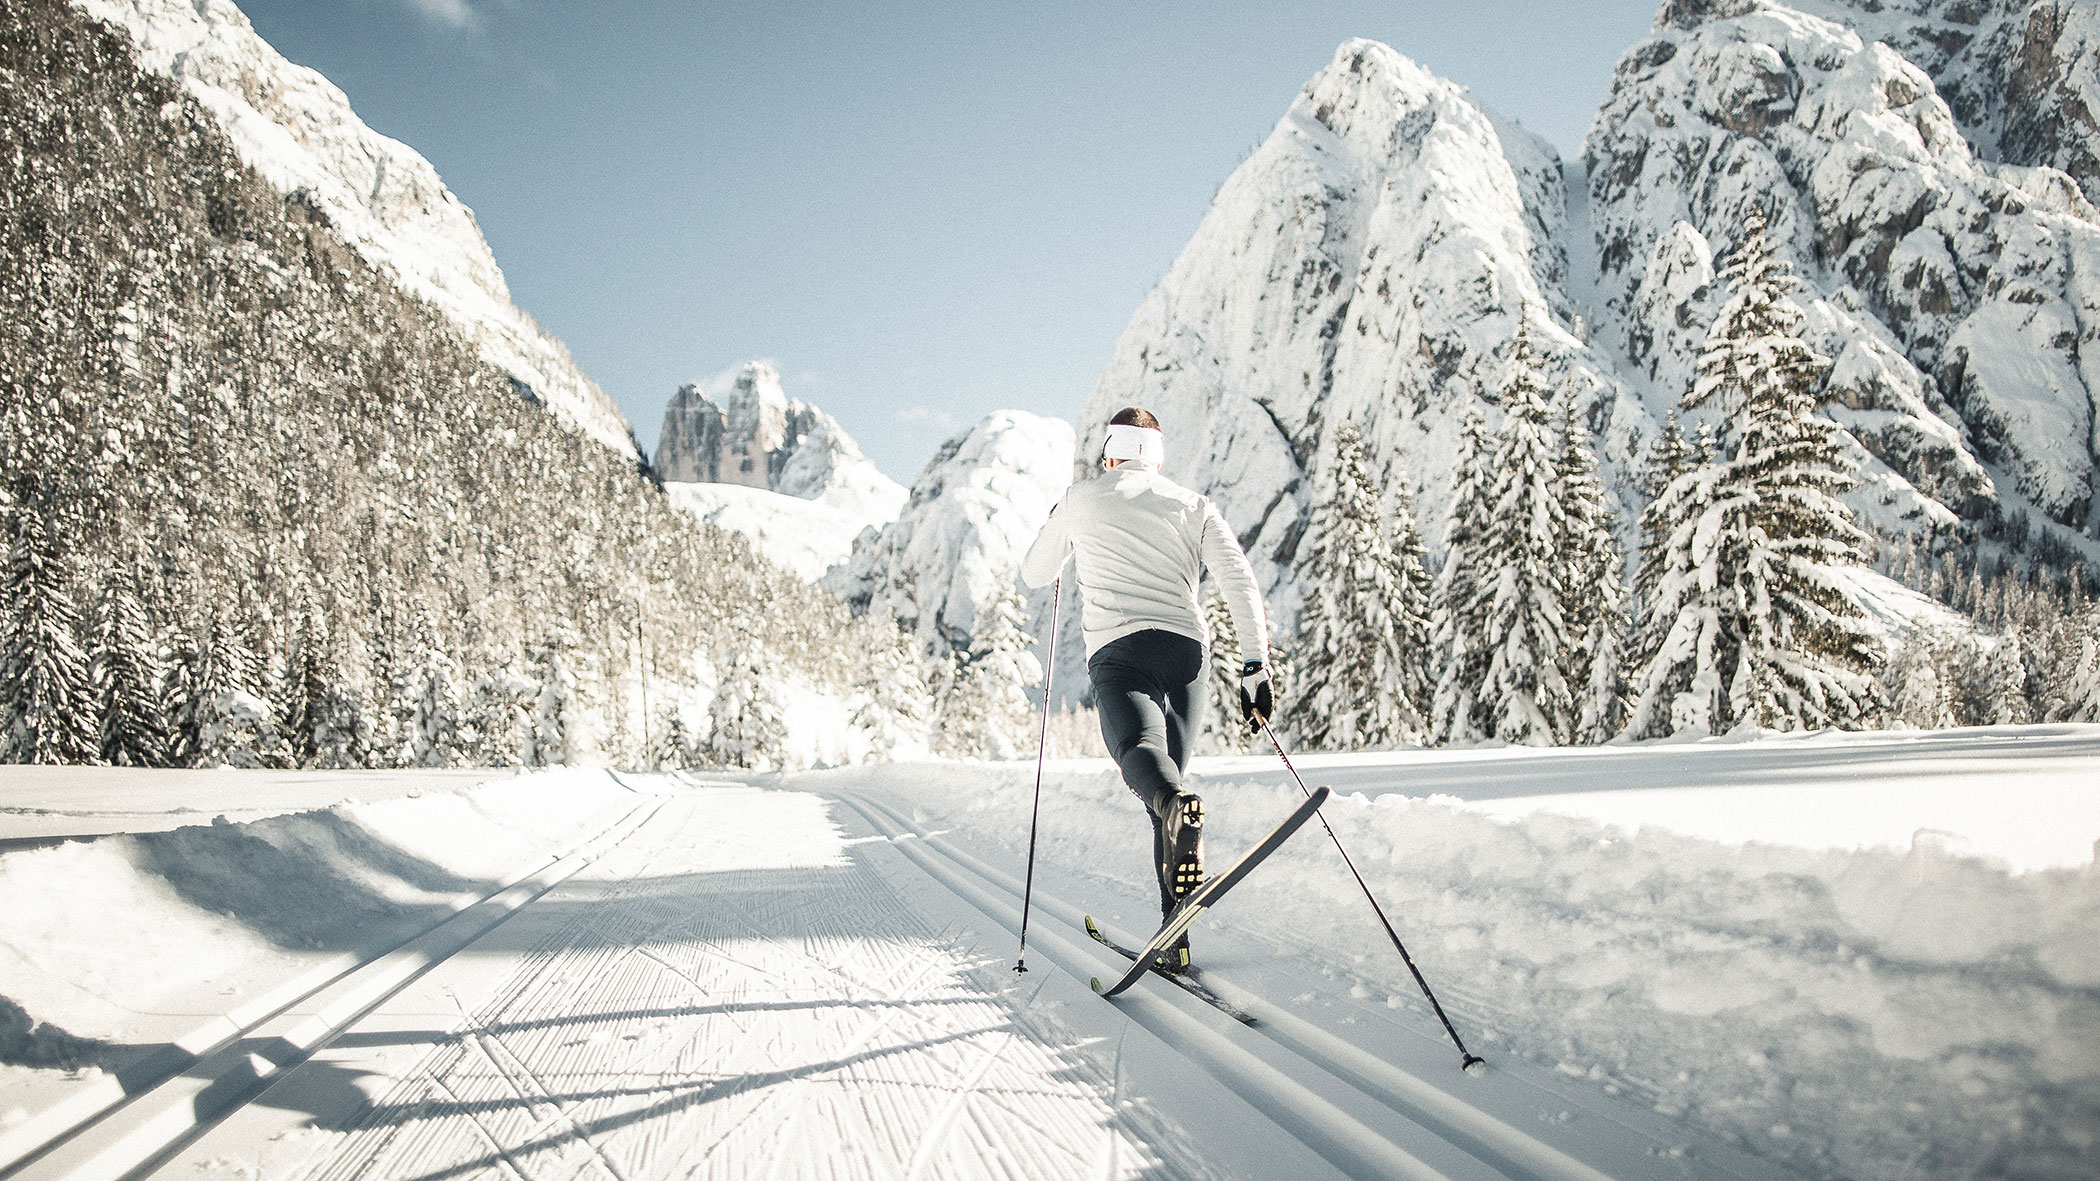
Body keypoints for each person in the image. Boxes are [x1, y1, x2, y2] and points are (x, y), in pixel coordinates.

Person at [1020, 407, 1275, 973]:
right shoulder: (1192, 505)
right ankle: (1174, 933)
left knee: (1147, 766)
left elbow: (1036, 572)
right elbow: (1238, 579)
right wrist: (1255, 666)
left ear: (1110, 452)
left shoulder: (1083, 497)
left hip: (1121, 652)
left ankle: (1174, 889)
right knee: (1169, 789)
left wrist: (1061, 519)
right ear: (1157, 457)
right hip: (1187, 654)